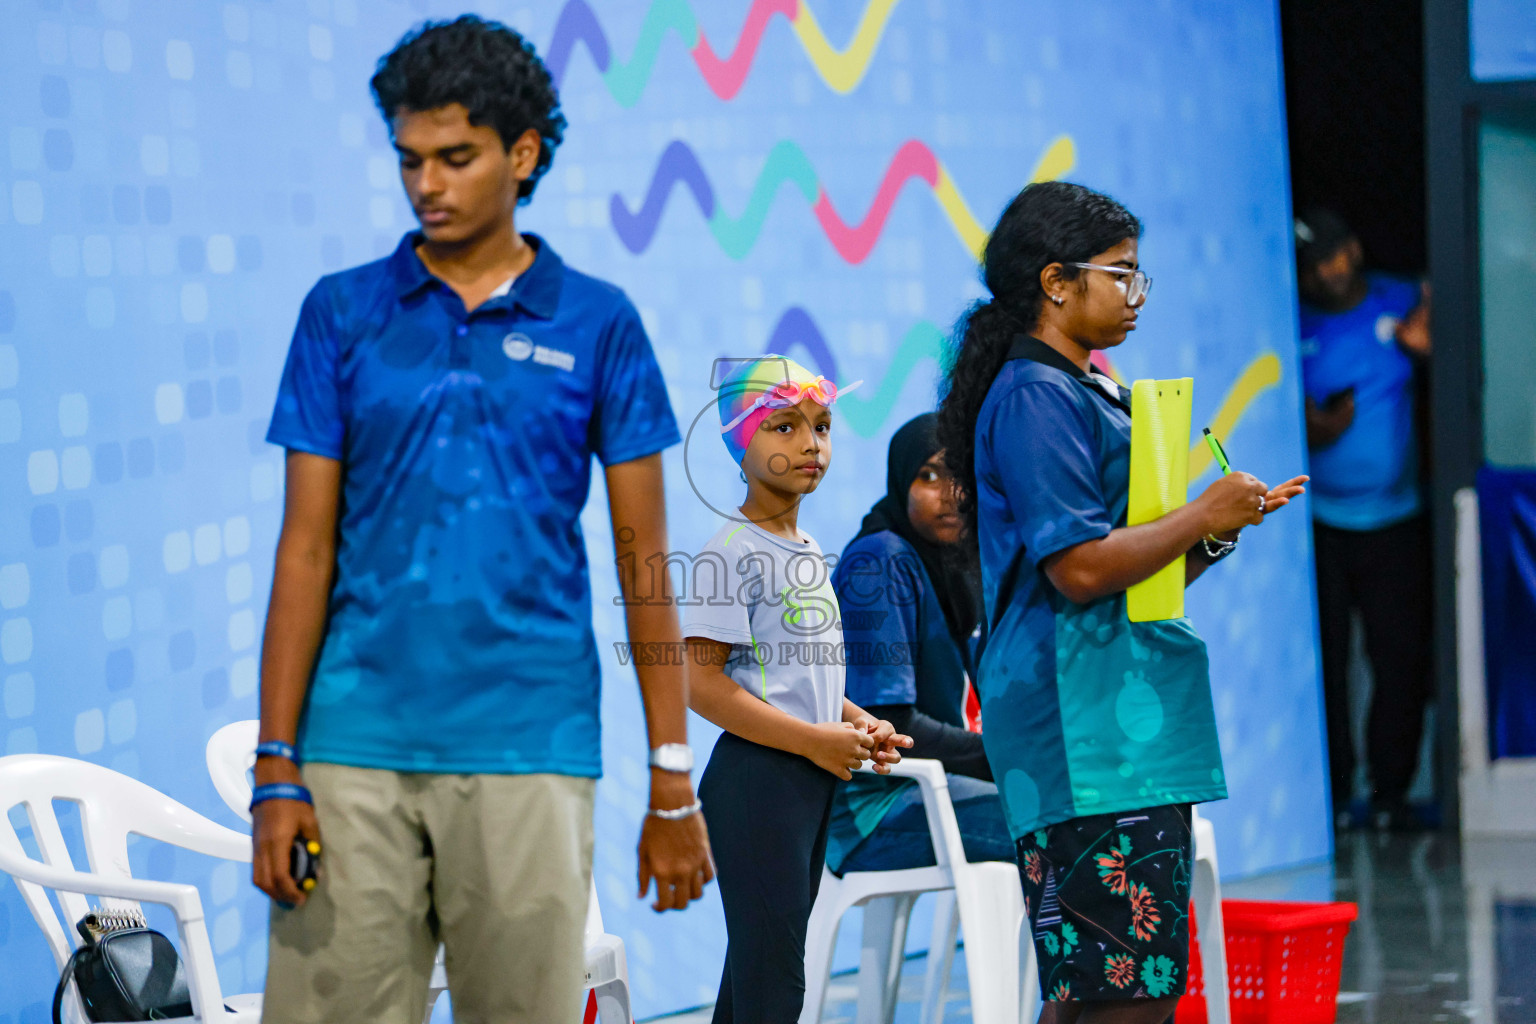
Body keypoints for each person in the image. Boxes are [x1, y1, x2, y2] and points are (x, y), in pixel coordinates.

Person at [251, 17, 713, 1024]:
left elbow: (644, 561)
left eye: (456, 157)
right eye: (410, 158)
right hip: (354, 745)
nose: (427, 184)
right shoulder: (341, 313)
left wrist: (672, 775)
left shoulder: (599, 322)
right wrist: (275, 766)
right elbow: (306, 550)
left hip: (530, 743)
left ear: (524, 153)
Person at [936, 181, 1307, 1023]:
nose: (1137, 294)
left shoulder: (1083, 387)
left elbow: (1133, 575)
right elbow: (1077, 569)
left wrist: (1214, 533)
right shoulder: (1035, 395)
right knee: (1128, 994)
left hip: (1114, 716)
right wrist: (1197, 515)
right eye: (1121, 273)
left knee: (1105, 992)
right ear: (1056, 282)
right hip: (1080, 727)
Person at [681, 356, 912, 1024]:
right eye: (784, 426)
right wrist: (813, 739)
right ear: (739, 442)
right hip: (758, 782)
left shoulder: (807, 547)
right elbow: (700, 683)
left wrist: (857, 722)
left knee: (757, 979)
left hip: (803, 778)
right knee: (775, 984)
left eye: (822, 426)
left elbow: (797, 676)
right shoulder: (731, 550)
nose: (810, 443)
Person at [826, 412, 1013, 875]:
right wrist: (1007, 756)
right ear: (900, 480)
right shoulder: (880, 561)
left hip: (934, 785)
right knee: (1058, 819)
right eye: (929, 476)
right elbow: (889, 723)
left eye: (961, 475)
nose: (950, 493)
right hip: (874, 808)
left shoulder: (953, 563)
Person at [1295, 207, 1433, 831]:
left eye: (1334, 254)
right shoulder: (1292, 319)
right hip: (1319, 523)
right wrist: (1309, 423)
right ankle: (1331, 798)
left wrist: (1424, 330)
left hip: (1396, 519)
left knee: (1398, 657)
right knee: (1326, 662)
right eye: (1313, 263)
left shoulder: (1396, 298)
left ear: (1353, 248)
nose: (1328, 271)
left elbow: (1451, 285)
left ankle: (1389, 795)